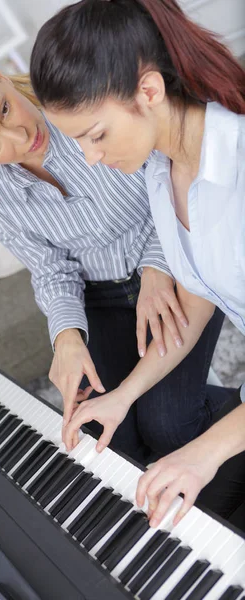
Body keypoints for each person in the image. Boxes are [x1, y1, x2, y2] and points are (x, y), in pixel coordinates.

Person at [0, 60, 228, 469]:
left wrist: (159, 266)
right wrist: (66, 336)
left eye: (3, 109)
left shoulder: (81, 99)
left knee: (169, 426)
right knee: (109, 440)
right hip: (99, 295)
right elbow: (49, 265)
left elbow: (175, 175)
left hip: (177, 259)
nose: (19, 135)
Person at [29, 0, 245, 526]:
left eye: (96, 134)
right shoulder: (158, 171)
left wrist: (204, 454)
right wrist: (123, 397)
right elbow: (197, 298)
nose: (90, 158)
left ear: (148, 91)